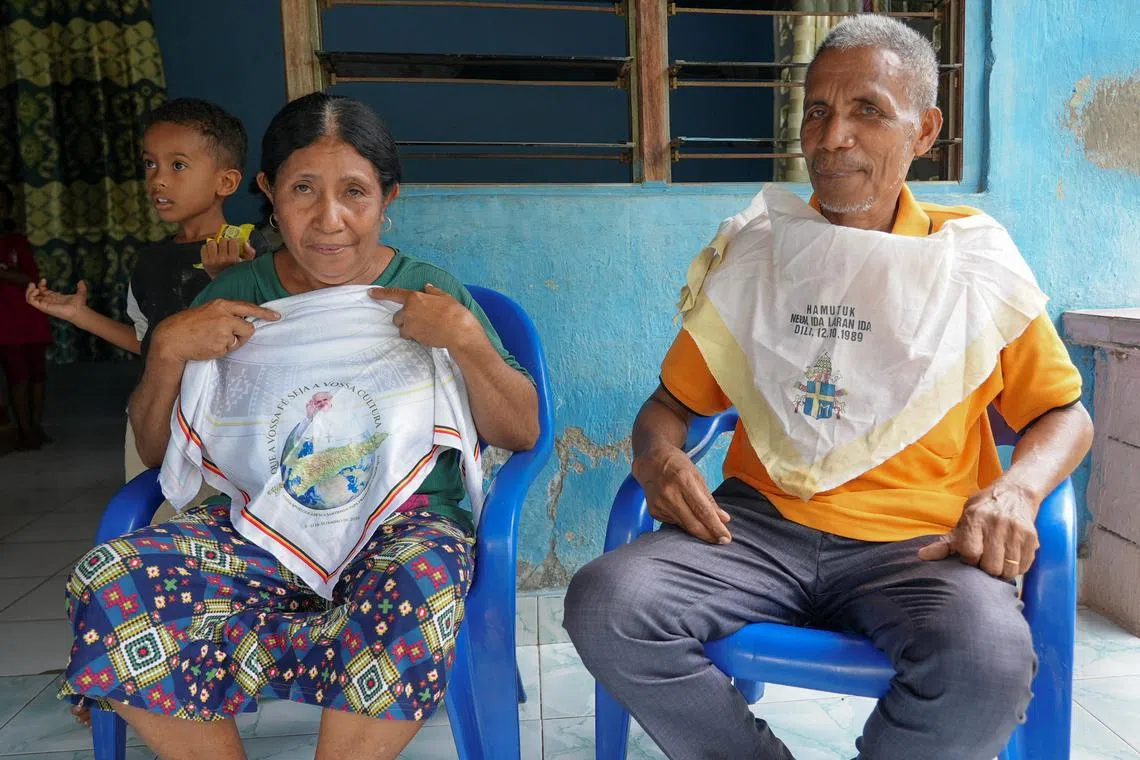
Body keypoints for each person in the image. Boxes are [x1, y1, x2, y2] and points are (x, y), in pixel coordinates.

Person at [564, 15, 1094, 760]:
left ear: (924, 128)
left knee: (988, 661)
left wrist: (1019, 491)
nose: (831, 136)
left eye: (867, 110)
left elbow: (1065, 417)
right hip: (754, 531)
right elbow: (671, 407)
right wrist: (657, 456)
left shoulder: (971, 264)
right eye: (817, 110)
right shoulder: (761, 254)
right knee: (607, 603)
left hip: (919, 548)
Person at [58, 92, 539, 760]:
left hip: (405, 530)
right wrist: (167, 348)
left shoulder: (429, 292)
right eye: (303, 190)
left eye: (355, 193)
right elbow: (156, 451)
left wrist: (467, 341)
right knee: (115, 574)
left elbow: (520, 430)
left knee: (420, 574)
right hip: (261, 530)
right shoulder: (235, 297)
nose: (330, 220)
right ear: (269, 193)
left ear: (388, 196)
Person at [25, 98, 266, 478]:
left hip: (229, 430)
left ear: (226, 181)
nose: (158, 179)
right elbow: (149, 341)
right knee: (151, 518)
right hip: (154, 418)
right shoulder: (150, 260)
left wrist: (229, 279)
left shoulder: (250, 250)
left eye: (178, 165)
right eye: (150, 164)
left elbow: (268, 340)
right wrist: (80, 315)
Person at [0, 184, 53, 450]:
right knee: (18, 378)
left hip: (29, 320)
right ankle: (22, 430)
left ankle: (35, 426)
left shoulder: (16, 242)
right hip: (5, 327)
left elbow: (29, 277)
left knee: (37, 376)